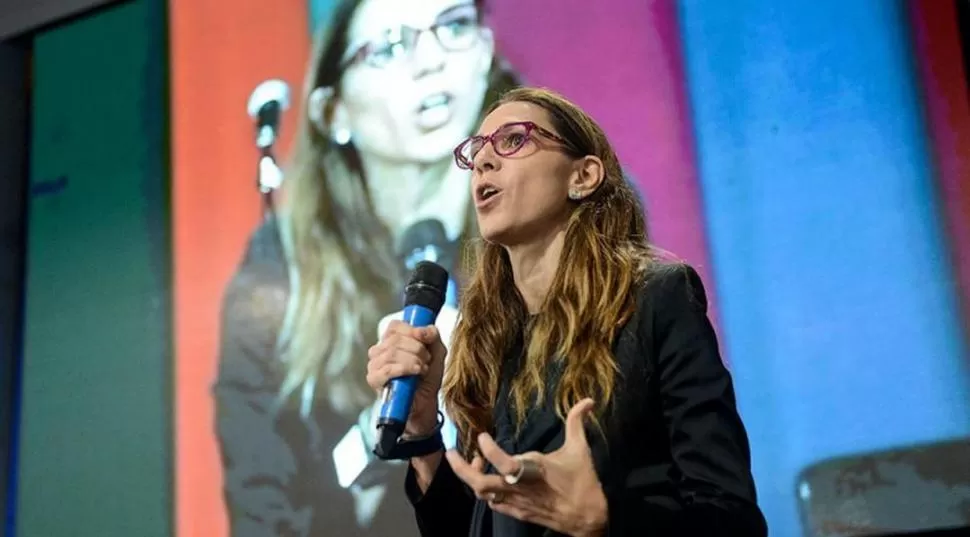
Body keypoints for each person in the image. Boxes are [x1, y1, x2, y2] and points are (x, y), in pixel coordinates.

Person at [366, 86, 770, 536]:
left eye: (513, 140)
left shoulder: (655, 301)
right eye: (476, 150)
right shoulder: (486, 341)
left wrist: (604, 520)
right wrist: (422, 433)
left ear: (584, 175)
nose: (483, 160)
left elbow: (732, 519)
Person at [213, 0, 518, 535]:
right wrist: (368, 448)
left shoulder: (567, 211)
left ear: (485, 50)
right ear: (334, 113)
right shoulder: (277, 266)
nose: (430, 61)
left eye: (451, 26)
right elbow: (261, 505)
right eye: (391, 46)